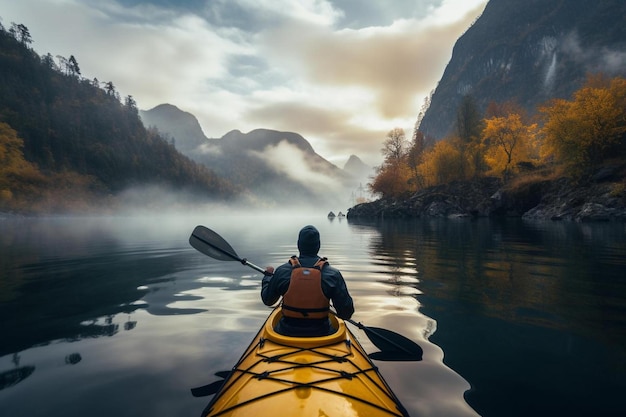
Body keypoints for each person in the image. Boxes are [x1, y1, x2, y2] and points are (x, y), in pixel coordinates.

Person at [261, 225, 354, 336]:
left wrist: (268, 277)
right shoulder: (333, 274)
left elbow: (268, 300)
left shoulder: (282, 271)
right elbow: (346, 313)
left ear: (298, 245)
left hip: (285, 333)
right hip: (323, 334)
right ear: (318, 245)